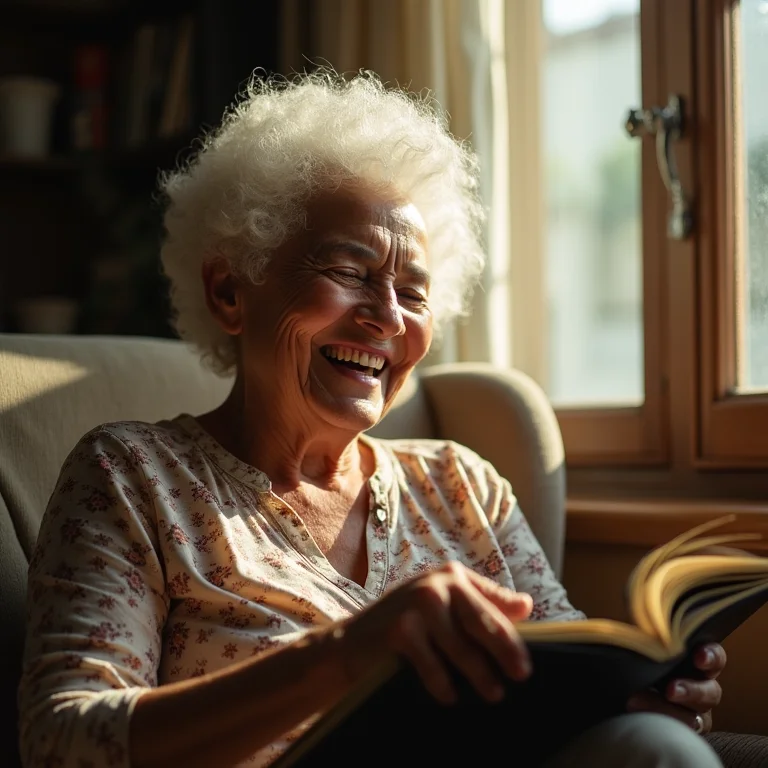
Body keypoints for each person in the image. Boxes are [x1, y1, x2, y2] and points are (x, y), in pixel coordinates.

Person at [18, 68, 725, 768]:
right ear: (230, 290)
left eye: (413, 293)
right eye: (350, 272)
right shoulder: (135, 477)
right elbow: (64, 742)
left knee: (654, 744)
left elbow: (567, 679)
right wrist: (344, 655)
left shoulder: (463, 486)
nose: (388, 318)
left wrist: (643, 694)